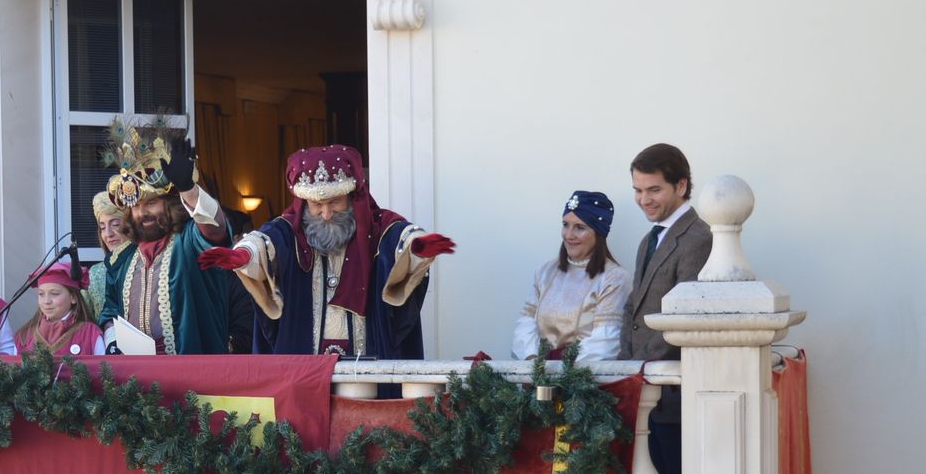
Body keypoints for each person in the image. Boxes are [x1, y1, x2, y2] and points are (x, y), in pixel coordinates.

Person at [197, 145, 454, 359]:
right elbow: (264, 244)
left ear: (353, 196)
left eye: (335, 202)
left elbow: (402, 241)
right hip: (305, 367)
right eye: (317, 205)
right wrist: (243, 256)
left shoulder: (379, 227)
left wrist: (418, 249)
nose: (327, 214)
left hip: (370, 364)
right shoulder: (290, 230)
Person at [619, 143, 713, 474]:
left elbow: (686, 317)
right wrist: (626, 372)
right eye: (638, 190)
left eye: (653, 190)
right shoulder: (648, 239)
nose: (644, 200)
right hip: (647, 395)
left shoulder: (698, 236)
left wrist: (644, 372)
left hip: (673, 398)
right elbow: (633, 312)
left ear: (681, 184)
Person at [97, 121, 235, 355]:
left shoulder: (189, 242)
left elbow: (215, 230)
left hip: (190, 371)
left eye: (152, 203)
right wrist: (112, 341)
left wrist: (188, 189)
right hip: (137, 376)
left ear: (170, 204)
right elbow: (110, 311)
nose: (143, 213)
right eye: (137, 206)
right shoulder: (122, 259)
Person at [511, 190, 630, 361]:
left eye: (580, 228)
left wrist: (561, 370)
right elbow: (525, 324)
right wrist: (533, 362)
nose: (569, 235)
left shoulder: (614, 278)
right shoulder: (545, 272)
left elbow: (605, 343)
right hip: (539, 379)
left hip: (585, 381)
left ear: (598, 232)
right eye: (565, 224)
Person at [15, 259, 106, 356]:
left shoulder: (90, 334)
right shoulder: (24, 336)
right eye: (41, 294)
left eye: (54, 294)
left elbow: (104, 369)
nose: (46, 301)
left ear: (73, 297)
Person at [87, 191, 131, 315]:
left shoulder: (147, 267)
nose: (108, 234)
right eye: (102, 227)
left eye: (115, 224)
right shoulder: (95, 274)